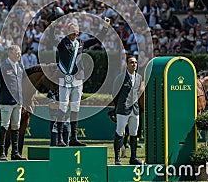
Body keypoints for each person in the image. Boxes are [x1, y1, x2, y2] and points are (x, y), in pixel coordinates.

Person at [54, 18, 110, 147]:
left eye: (77, 31)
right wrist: (53, 23)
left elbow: (97, 39)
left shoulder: (81, 43)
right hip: (64, 78)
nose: (76, 34)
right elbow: (51, 38)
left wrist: (105, 27)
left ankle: (73, 138)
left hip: (78, 79)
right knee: (63, 107)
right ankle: (60, 139)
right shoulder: (62, 43)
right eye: (73, 31)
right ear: (68, 32)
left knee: (75, 107)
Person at [0, 45, 27, 161]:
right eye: (17, 53)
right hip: (6, 102)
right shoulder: (2, 67)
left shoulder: (20, 66)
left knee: (16, 127)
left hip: (18, 101)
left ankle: (15, 153)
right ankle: (1, 153)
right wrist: (1, 96)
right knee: (4, 126)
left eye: (19, 53)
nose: (19, 55)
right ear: (10, 53)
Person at [112, 55, 143, 165]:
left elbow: (138, 92)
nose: (134, 64)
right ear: (126, 65)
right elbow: (115, 94)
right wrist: (119, 106)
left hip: (135, 110)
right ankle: (117, 158)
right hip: (123, 109)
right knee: (119, 133)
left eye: (135, 62)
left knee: (134, 134)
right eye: (131, 62)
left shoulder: (139, 77)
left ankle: (133, 158)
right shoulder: (120, 77)